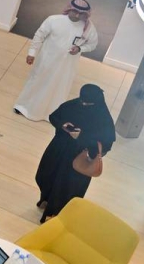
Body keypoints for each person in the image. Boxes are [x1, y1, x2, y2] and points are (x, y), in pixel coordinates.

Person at [36, 84, 115, 222]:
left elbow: (105, 142)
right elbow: (54, 116)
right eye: (82, 101)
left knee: (65, 187)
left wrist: (81, 137)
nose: (83, 104)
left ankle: (54, 215)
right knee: (46, 175)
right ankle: (46, 199)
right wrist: (63, 125)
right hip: (58, 149)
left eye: (87, 103)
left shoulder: (103, 118)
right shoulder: (74, 104)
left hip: (78, 158)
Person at [14, 0, 99, 121]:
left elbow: (92, 44)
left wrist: (80, 48)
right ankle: (23, 107)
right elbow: (39, 36)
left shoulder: (88, 28)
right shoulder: (54, 20)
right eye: (75, 11)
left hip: (67, 66)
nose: (77, 15)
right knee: (37, 82)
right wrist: (32, 53)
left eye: (81, 14)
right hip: (47, 61)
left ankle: (51, 114)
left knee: (59, 88)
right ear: (69, 9)